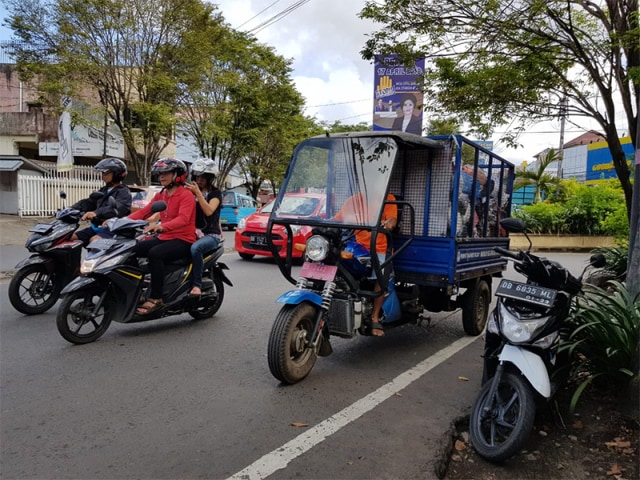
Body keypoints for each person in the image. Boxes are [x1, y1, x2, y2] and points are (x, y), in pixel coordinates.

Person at [128, 158, 196, 315]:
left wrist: (161, 226)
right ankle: (137, 289)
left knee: (155, 253)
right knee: (131, 249)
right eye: (160, 174)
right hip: (165, 237)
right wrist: (119, 222)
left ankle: (157, 297)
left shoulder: (186, 195)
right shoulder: (162, 195)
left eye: (166, 173)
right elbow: (145, 212)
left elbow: (183, 219)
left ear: (178, 175)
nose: (161, 177)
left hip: (183, 239)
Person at [335, 192, 397, 336]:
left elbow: (392, 219)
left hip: (380, 248)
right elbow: (338, 218)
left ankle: (375, 317)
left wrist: (389, 223)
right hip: (358, 245)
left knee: (382, 276)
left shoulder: (387, 197)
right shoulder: (354, 199)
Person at [184, 158, 223, 297]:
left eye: (204, 177)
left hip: (210, 235)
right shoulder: (189, 191)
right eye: (197, 176)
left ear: (210, 178)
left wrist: (198, 194)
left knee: (196, 248)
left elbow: (209, 211)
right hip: (190, 232)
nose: (199, 180)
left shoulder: (215, 194)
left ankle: (196, 285)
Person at [71, 157, 131, 245]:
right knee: (70, 238)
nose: (103, 175)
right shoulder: (103, 190)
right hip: (97, 227)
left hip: (113, 228)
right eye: (103, 172)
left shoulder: (124, 192)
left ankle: (94, 259)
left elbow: (118, 208)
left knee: (95, 241)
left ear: (117, 173)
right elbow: (89, 202)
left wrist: (96, 213)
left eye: (107, 172)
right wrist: (71, 209)